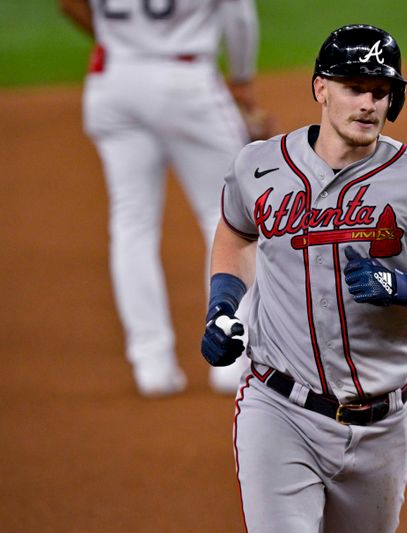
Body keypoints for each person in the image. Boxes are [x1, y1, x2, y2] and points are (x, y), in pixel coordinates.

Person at [200, 24, 407, 532]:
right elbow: (236, 232)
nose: (368, 104)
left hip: (381, 427)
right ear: (321, 89)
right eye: (354, 88)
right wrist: (222, 307)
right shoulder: (260, 166)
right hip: (279, 409)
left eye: (381, 92)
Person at [59, 0, 274, 397]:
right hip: (185, 80)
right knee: (230, 216)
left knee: (131, 223)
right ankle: (233, 359)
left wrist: (120, 42)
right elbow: (240, 16)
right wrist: (242, 81)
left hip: (113, 80)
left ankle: (151, 366)